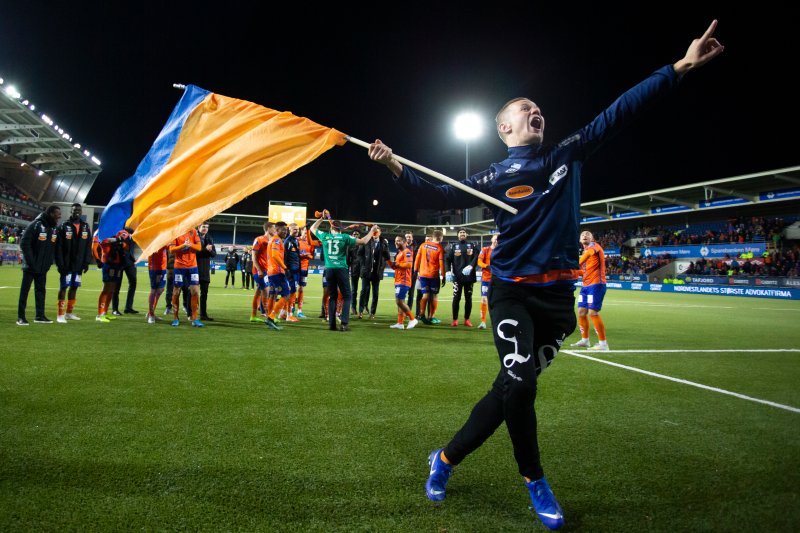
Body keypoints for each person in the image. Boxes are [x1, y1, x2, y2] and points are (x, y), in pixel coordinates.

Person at [366, 21, 723, 529]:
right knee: (521, 385)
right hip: (511, 295)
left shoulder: (566, 155)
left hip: (557, 307)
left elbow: (618, 113)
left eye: (538, 109)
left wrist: (679, 68)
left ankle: (443, 460)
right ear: (503, 129)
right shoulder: (492, 176)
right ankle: (535, 480)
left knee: (508, 390)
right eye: (522, 110)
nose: (536, 112)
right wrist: (394, 167)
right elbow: (437, 197)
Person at [309, 213, 376, 331]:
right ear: (341, 228)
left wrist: (321, 218)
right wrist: (372, 230)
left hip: (329, 269)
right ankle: (344, 324)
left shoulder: (324, 236)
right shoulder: (345, 237)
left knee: (332, 297)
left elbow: (312, 228)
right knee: (347, 296)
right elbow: (364, 241)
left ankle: (331, 324)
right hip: (341, 269)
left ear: (331, 228)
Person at [17, 205, 60, 325]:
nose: (59, 216)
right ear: (51, 213)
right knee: (25, 291)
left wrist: (48, 262)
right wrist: (31, 262)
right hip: (30, 267)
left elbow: (53, 247)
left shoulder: (54, 228)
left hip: (43, 267)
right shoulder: (35, 225)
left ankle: (39, 316)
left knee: (41, 291)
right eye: (57, 214)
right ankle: (21, 317)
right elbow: (24, 243)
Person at [54, 203, 92, 323]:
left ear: (81, 212)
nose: (77, 212)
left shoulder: (85, 226)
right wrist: (60, 264)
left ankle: (69, 313)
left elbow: (87, 246)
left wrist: (86, 262)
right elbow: (58, 247)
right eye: (75, 210)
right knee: (64, 287)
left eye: (79, 210)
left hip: (79, 264)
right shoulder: (64, 226)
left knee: (74, 287)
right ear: (70, 211)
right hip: (66, 264)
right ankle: (60, 315)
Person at [571, 230, 608, 350]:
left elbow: (585, 257)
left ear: (592, 238)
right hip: (585, 286)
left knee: (593, 312)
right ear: (579, 240)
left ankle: (603, 344)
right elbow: (584, 272)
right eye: (582, 235)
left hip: (596, 284)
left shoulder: (594, 247)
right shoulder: (585, 251)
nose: (585, 235)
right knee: (581, 312)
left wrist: (574, 265)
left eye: (588, 234)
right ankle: (585, 340)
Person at [168, 226, 204, 327]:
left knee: (195, 291)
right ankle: (175, 318)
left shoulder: (194, 231)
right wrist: (183, 245)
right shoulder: (175, 231)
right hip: (179, 266)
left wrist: (190, 244)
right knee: (176, 291)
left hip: (193, 266)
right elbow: (171, 250)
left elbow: (199, 247)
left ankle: (194, 318)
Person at [446, 228, 479, 327]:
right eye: (460, 232)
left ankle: (467, 319)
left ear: (466, 235)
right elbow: (447, 259)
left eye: (464, 232)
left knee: (468, 298)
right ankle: (455, 319)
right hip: (457, 277)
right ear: (458, 235)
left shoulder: (473, 246)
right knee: (456, 298)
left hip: (469, 278)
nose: (462, 234)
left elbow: (477, 257)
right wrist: (448, 271)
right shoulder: (453, 246)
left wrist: (471, 266)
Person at [358, 225, 391, 319]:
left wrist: (382, 267)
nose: (375, 233)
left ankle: (372, 313)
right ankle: (360, 311)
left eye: (377, 231)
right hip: (366, 271)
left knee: (375, 293)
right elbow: (360, 254)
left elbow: (387, 257)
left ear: (380, 233)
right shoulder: (366, 240)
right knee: (364, 291)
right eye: (374, 231)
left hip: (377, 272)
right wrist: (363, 265)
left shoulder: (384, 242)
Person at [96, 229, 128, 323]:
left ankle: (105, 312)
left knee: (112, 289)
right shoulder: (103, 232)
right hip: (108, 263)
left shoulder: (118, 232)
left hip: (118, 264)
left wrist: (120, 242)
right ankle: (100, 314)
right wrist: (117, 240)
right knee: (106, 288)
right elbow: (103, 241)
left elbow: (126, 244)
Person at [414, 229, 446, 325]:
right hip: (433, 275)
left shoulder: (423, 245)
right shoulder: (439, 247)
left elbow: (417, 259)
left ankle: (422, 314)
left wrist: (416, 270)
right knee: (434, 296)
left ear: (433, 236)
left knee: (425, 295)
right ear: (440, 237)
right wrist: (443, 276)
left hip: (423, 274)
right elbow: (441, 263)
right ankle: (431, 317)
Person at [389, 235, 419, 330]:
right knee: (399, 302)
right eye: (395, 241)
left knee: (399, 301)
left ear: (404, 242)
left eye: (398, 241)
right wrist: (388, 260)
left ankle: (412, 319)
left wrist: (397, 264)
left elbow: (409, 264)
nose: (396, 242)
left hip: (404, 280)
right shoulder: (399, 253)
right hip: (398, 280)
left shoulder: (407, 252)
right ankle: (400, 323)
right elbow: (395, 266)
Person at [111, 228, 138, 315]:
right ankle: (115, 309)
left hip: (129, 261)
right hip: (119, 262)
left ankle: (128, 307)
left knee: (133, 282)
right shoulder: (118, 231)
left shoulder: (133, 232)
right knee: (116, 286)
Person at [196, 222, 217, 321]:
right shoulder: (194, 237)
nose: (205, 229)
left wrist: (208, 250)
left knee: (204, 293)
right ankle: (191, 313)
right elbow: (194, 253)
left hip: (205, 270)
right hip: (194, 268)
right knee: (192, 292)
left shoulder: (210, 238)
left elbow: (214, 254)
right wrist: (205, 250)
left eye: (207, 227)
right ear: (199, 227)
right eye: (203, 227)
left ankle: (203, 314)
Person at [476, 233, 498, 329]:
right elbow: (479, 262)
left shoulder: (501, 251)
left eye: (498, 239)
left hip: (498, 279)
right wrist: (486, 266)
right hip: (486, 279)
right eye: (495, 238)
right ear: (491, 239)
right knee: (484, 299)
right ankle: (483, 322)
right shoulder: (485, 250)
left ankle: (496, 322)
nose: (497, 240)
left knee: (496, 301)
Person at [145, 245, 168, 324]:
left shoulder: (164, 239)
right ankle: (151, 314)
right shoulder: (153, 240)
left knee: (160, 290)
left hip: (163, 268)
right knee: (154, 290)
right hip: (154, 268)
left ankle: (151, 313)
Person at [283, 222, 301, 320]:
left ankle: (282, 312)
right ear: (290, 230)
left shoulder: (296, 241)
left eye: (297, 229)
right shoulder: (287, 242)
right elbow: (284, 257)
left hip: (295, 271)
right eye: (295, 229)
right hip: (290, 271)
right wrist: (287, 270)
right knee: (291, 291)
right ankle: (289, 315)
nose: (297, 231)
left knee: (292, 291)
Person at [347, 229, 362, 316]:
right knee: (354, 290)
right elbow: (348, 259)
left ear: (359, 236)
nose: (355, 235)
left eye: (357, 234)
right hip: (354, 269)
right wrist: (347, 270)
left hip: (363, 269)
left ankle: (363, 307)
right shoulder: (350, 245)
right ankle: (353, 307)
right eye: (354, 234)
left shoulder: (363, 244)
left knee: (364, 290)